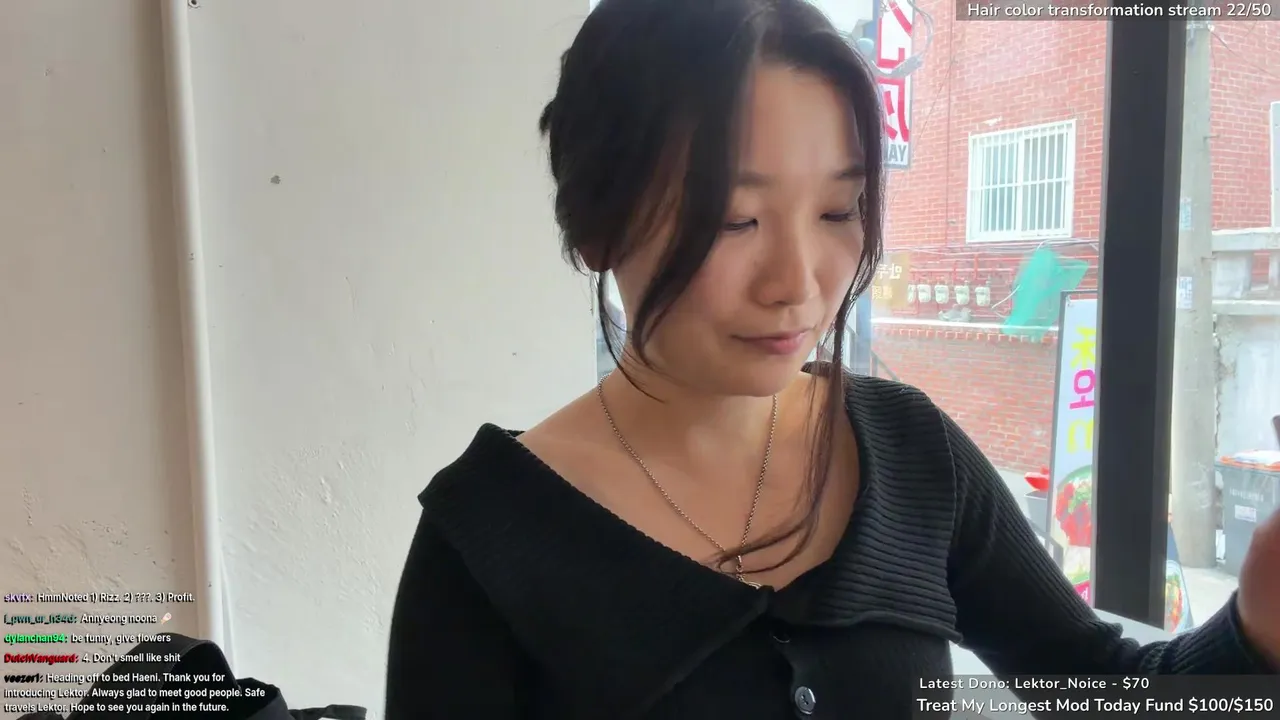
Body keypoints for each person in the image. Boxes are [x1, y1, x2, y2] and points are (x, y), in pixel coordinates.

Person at [385, 0, 1279, 717]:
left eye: (838, 211)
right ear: (596, 225)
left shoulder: (910, 451)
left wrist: (1259, 623)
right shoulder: (488, 537)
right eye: (736, 219)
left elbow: (1104, 688)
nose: (798, 283)